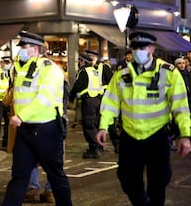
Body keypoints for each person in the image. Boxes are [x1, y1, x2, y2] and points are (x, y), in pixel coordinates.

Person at [96, 31, 191, 206]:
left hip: (157, 136)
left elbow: (181, 107)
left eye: (143, 47)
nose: (139, 51)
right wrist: (103, 126)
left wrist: (185, 135)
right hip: (130, 137)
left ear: (152, 49)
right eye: (136, 48)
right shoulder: (122, 74)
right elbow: (111, 102)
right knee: (128, 181)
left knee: (158, 184)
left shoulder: (168, 73)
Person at [1, 31, 72, 206]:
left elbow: (44, 98)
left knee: (55, 174)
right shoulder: (23, 69)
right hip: (25, 130)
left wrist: (20, 116)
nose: (21, 51)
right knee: (19, 175)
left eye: (24, 47)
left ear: (35, 48)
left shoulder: (50, 69)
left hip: (46, 129)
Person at [69, 50, 113, 159]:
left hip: (89, 102)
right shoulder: (95, 71)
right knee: (96, 124)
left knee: (89, 125)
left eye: (80, 61)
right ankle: (98, 145)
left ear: (83, 62)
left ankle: (94, 149)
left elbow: (77, 86)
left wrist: (71, 97)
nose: (79, 63)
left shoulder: (84, 72)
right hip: (98, 101)